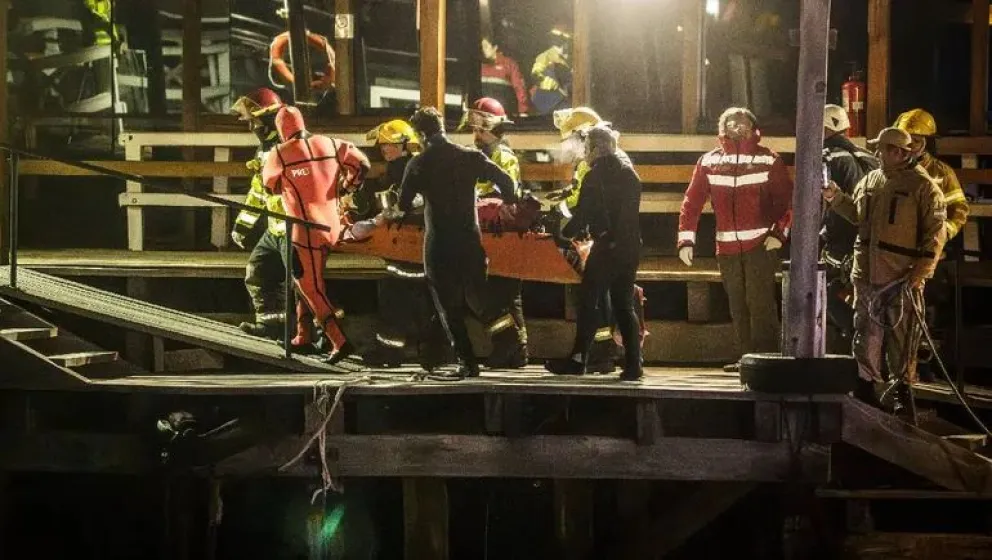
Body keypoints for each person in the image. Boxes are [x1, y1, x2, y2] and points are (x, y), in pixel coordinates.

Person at [822, 127, 946, 414]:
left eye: (884, 149)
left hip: (901, 274)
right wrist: (836, 199)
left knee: (902, 334)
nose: (878, 154)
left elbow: (935, 234)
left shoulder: (923, 187)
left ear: (900, 153)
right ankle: (866, 386)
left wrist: (920, 273)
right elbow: (857, 216)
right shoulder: (871, 181)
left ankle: (902, 390)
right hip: (866, 272)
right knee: (866, 331)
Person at [396, 107, 516, 378]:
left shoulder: (418, 163)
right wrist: (507, 202)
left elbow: (403, 204)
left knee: (448, 306)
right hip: (470, 239)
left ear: (420, 134)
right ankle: (510, 341)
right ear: (442, 126)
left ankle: (467, 361)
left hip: (439, 243)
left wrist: (417, 200)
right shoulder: (469, 156)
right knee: (478, 294)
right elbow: (506, 181)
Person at [678, 107, 793, 372]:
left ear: (754, 129)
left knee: (760, 302)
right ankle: (746, 358)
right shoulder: (709, 162)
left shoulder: (768, 160)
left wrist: (778, 234)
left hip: (760, 246)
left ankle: (767, 360)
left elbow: (785, 201)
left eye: (741, 123)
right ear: (721, 129)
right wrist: (686, 240)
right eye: (729, 123)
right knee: (738, 303)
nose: (735, 127)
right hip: (726, 247)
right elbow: (692, 202)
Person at [262, 105, 370, 364]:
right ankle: (303, 336)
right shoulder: (332, 144)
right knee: (303, 283)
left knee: (309, 287)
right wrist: (347, 187)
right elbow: (362, 164)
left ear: (281, 130)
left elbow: (269, 187)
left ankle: (338, 341)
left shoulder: (279, 153)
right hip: (333, 226)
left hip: (305, 230)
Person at [551, 106, 646, 374]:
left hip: (606, 248)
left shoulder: (596, 174)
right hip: (630, 247)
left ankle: (579, 359)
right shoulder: (628, 171)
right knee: (624, 304)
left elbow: (585, 212)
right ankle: (633, 364)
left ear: (595, 147)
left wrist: (564, 232)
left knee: (589, 300)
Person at [356, 119, 447, 369]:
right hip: (405, 246)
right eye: (383, 145)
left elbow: (406, 204)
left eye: (390, 144)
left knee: (400, 298)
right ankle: (431, 353)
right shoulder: (399, 169)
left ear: (406, 145)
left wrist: (376, 215)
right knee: (416, 299)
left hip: (413, 245)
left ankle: (392, 352)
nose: (385, 149)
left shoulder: (414, 169)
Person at [461, 97, 529, 368]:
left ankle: (508, 344)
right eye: (475, 130)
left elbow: (502, 193)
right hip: (495, 231)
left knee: (493, 293)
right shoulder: (486, 155)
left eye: (481, 130)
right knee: (506, 294)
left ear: (496, 129)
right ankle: (516, 350)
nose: (476, 136)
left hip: (503, 232)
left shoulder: (503, 156)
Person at [230, 88, 294, 341]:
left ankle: (311, 336)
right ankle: (271, 326)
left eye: (252, 121)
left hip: (294, 228)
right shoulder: (265, 150)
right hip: (276, 228)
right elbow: (258, 191)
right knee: (258, 273)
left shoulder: (291, 148)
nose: (250, 127)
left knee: (303, 286)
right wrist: (243, 225)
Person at [821, 104, 880, 352]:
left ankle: (855, 343)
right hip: (869, 237)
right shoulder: (869, 157)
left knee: (826, 293)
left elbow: (823, 200)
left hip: (841, 238)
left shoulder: (828, 156)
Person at [893, 109, 969, 243]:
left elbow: (959, 209)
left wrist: (943, 234)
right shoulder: (888, 169)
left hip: (927, 248)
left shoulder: (942, 172)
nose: (908, 147)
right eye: (904, 140)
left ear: (926, 143)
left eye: (915, 141)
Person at [481, 37, 530, 116]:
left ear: (495, 47)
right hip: (482, 113)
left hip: (503, 114)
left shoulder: (509, 64)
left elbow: (519, 88)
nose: (482, 49)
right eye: (481, 47)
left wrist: (523, 111)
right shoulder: (478, 65)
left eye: (486, 46)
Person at [530, 26, 572, 115]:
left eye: (565, 41)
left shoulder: (571, 58)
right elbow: (536, 72)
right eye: (557, 41)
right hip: (548, 100)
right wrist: (544, 81)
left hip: (565, 100)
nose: (562, 45)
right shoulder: (545, 56)